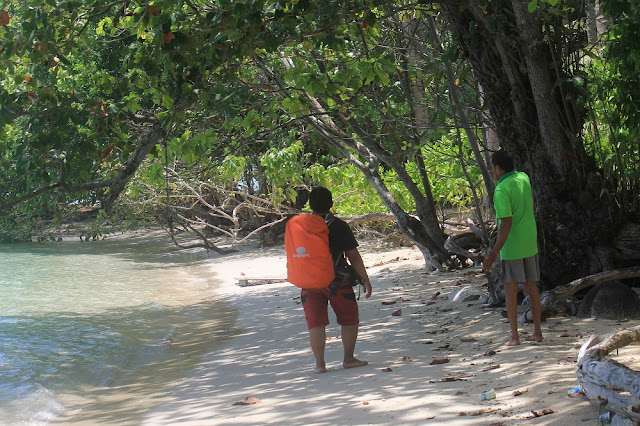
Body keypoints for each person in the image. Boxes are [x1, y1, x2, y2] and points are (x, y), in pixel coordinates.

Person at [302, 186, 372, 373]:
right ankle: (348, 359)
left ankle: (320, 364)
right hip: (337, 280)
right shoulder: (339, 226)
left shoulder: (299, 226)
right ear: (331, 204)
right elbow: (353, 256)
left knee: (315, 323)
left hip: (308, 281)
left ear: (310, 205)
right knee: (349, 318)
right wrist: (365, 279)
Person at [482, 150, 544, 346]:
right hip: (530, 240)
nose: (492, 171)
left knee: (510, 288)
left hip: (513, 246)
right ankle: (537, 332)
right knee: (531, 286)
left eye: (493, 167)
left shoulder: (501, 190)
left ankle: (515, 336)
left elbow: (506, 224)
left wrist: (493, 254)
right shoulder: (524, 177)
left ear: (499, 168)